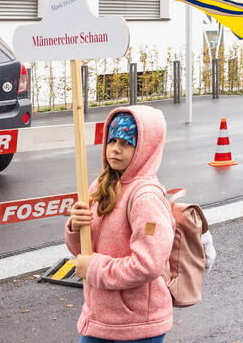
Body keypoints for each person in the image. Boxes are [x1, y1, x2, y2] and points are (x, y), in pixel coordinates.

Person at [66, 106, 176, 342]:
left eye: (126, 143)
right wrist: (76, 228)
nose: (115, 149)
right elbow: (82, 251)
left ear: (144, 149)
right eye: (112, 140)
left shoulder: (146, 198)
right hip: (98, 317)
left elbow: (148, 264)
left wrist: (94, 268)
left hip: (137, 325)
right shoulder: (100, 185)